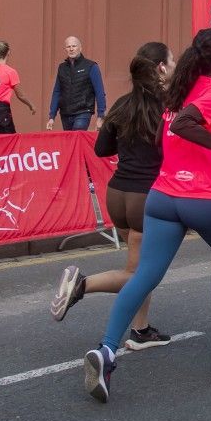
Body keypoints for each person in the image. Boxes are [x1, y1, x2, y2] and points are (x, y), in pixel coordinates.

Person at [82, 28, 211, 403]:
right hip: (203, 197)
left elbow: (176, 126)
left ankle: (106, 350)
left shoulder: (179, 89)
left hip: (163, 196)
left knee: (145, 274)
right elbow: (183, 125)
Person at [52, 42, 175, 351]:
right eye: (172, 60)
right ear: (161, 68)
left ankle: (141, 330)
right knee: (141, 274)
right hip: (146, 197)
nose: (175, 65)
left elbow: (101, 148)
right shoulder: (168, 107)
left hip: (117, 194)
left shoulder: (122, 104)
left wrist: (130, 144)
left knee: (142, 266)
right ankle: (82, 285)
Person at [48, 36, 106, 132]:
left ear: (80, 48)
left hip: (83, 111)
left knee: (77, 135)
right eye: (68, 46)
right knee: (69, 140)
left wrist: (101, 116)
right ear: (65, 49)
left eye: (74, 46)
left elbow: (99, 92)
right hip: (65, 113)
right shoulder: (62, 68)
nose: (71, 49)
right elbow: (57, 92)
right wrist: (52, 116)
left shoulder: (91, 66)